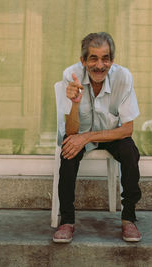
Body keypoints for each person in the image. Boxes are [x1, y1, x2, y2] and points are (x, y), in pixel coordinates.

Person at [52, 32, 142, 243]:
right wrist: (74, 102)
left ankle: (129, 218)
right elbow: (73, 131)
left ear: (112, 59)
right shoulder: (71, 75)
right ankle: (67, 220)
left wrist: (88, 137)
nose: (100, 65)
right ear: (83, 60)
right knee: (67, 152)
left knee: (130, 151)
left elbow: (127, 129)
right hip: (78, 132)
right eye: (93, 58)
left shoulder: (123, 77)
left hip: (111, 134)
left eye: (106, 58)